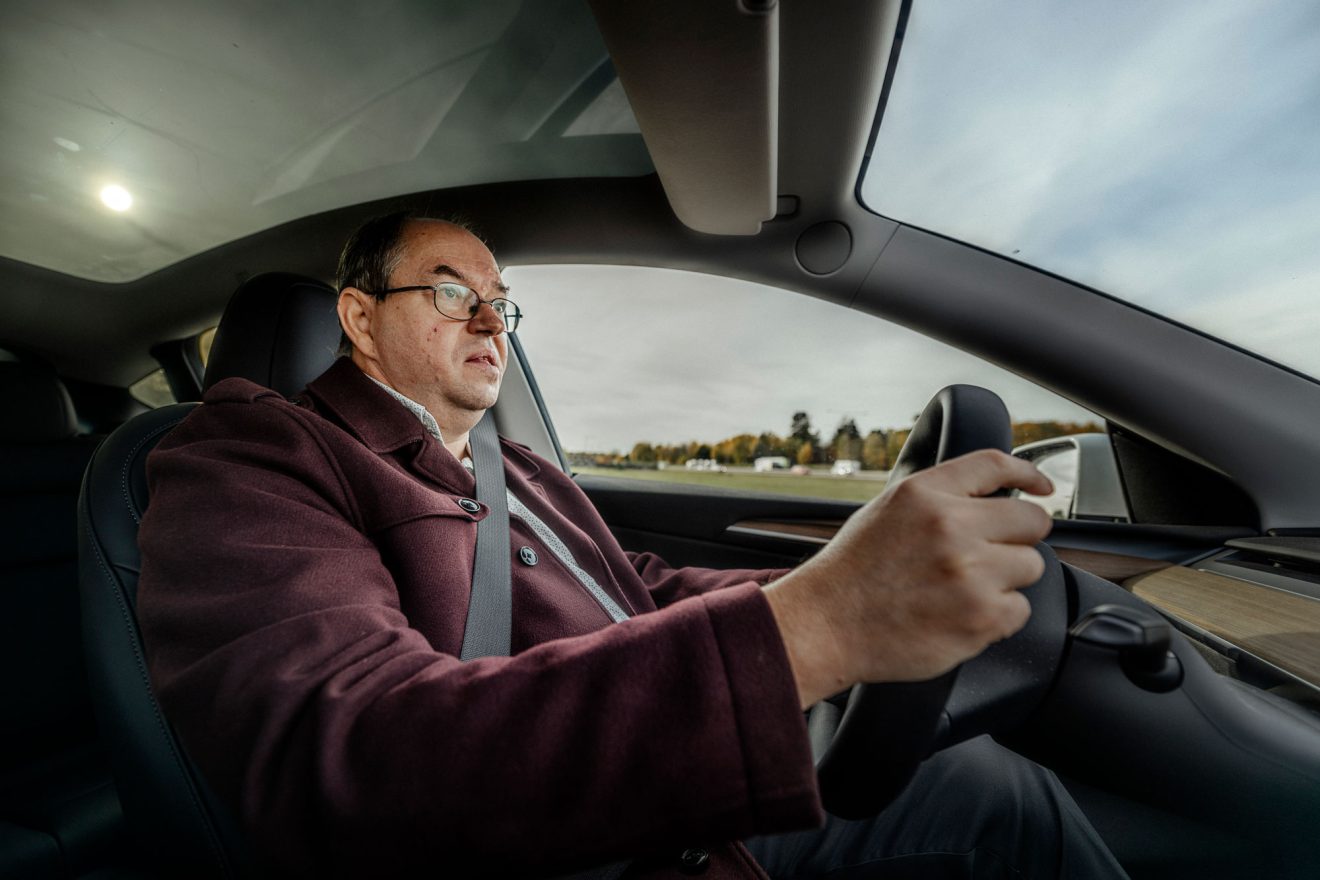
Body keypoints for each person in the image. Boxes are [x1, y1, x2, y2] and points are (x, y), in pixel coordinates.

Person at [136, 212, 1128, 878]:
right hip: (580, 845)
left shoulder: (517, 468)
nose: (491, 318)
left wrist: (854, 578)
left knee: (984, 783)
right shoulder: (248, 459)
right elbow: (347, 757)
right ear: (358, 316)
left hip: (689, 798)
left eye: (499, 299)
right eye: (449, 293)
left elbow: (641, 588)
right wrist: (820, 625)